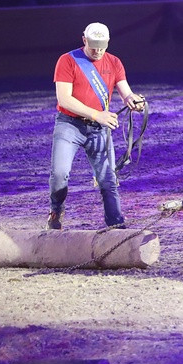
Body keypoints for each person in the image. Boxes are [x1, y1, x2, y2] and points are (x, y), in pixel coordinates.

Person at [48, 22, 145, 230]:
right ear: (84, 40)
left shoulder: (115, 62)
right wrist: (96, 114)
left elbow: (125, 92)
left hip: (99, 129)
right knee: (59, 173)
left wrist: (134, 100)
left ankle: (116, 226)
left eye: (102, 47)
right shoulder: (67, 61)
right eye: (93, 47)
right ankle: (56, 209)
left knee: (108, 180)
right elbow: (64, 99)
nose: (98, 51)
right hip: (69, 125)